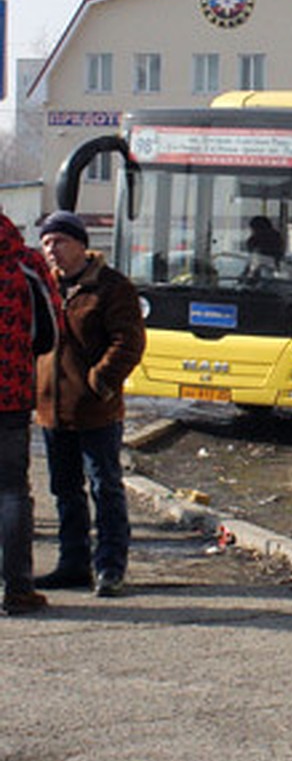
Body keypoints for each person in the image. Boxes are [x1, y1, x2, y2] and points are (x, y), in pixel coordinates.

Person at [35, 211, 145, 598]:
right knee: (65, 491)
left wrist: (101, 382)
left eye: (60, 242)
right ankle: (73, 564)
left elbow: (128, 341)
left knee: (105, 487)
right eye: (46, 243)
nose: (52, 250)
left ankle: (110, 568)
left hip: (96, 409)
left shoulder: (111, 287)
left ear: (81, 244)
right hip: (52, 409)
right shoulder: (44, 286)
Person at [0, 209, 60, 616]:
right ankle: (18, 589)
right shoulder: (25, 263)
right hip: (11, 394)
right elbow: (49, 332)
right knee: (11, 491)